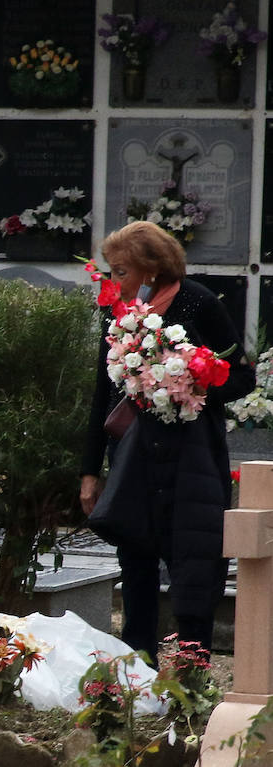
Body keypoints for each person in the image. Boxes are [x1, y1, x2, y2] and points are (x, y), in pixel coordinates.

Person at [78, 221, 254, 662]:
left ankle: (191, 670)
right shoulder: (119, 314)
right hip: (133, 458)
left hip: (190, 459)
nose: (114, 281)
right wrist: (89, 471)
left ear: (151, 269)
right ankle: (137, 673)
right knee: (135, 564)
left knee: (192, 561)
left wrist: (192, 382)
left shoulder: (198, 302)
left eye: (121, 271)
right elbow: (103, 395)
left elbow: (243, 377)